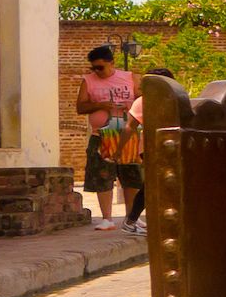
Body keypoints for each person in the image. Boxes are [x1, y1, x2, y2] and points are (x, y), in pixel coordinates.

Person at [74, 45, 139, 229]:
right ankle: (107, 218)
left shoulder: (129, 77)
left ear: (112, 63)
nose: (96, 71)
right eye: (93, 68)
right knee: (103, 175)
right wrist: (102, 105)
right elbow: (81, 107)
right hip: (101, 134)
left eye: (100, 67)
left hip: (127, 134)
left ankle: (131, 216)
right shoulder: (88, 81)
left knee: (131, 175)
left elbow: (142, 99)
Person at [120, 68, 176, 233]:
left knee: (168, 185)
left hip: (172, 146)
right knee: (152, 185)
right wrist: (119, 150)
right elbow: (130, 127)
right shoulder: (143, 102)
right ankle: (131, 220)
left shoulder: (175, 99)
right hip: (152, 148)